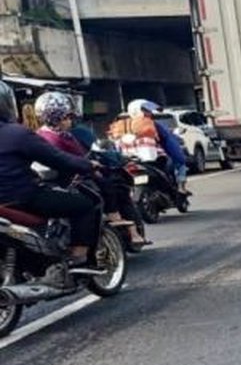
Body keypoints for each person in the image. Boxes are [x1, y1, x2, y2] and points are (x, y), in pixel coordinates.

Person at [0, 82, 100, 266]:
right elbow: (58, 159)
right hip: (20, 197)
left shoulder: (35, 133)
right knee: (85, 206)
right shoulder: (17, 133)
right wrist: (88, 165)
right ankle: (78, 257)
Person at [35, 93, 147, 248]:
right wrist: (90, 166)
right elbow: (73, 157)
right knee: (105, 187)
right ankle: (115, 220)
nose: (70, 120)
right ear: (58, 117)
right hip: (74, 176)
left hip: (59, 179)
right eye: (67, 117)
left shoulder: (43, 134)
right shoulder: (60, 136)